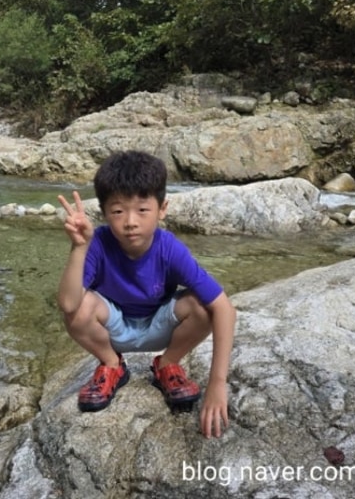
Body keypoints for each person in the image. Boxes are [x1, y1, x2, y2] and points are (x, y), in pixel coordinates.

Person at [57, 150, 236, 438]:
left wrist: (217, 383)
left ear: (162, 208)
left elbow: (225, 308)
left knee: (204, 306)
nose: (130, 221)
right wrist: (79, 247)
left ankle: (167, 364)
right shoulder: (98, 243)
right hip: (113, 327)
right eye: (117, 211)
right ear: (104, 212)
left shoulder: (169, 248)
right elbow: (67, 304)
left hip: (158, 324)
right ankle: (112, 364)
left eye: (142, 209)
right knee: (78, 307)